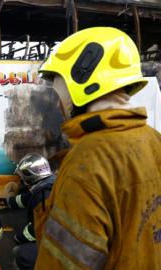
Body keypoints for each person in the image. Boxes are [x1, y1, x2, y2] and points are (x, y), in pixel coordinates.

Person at [34, 27, 161, 269]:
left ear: (81, 82)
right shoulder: (155, 141)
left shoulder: (88, 161)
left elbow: (63, 261)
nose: (59, 103)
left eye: (60, 90)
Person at [0, 153, 55, 270]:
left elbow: (37, 229)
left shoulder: (42, 197)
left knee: (19, 253)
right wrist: (9, 202)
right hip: (67, 238)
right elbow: (27, 198)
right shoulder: (49, 185)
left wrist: (19, 237)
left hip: (56, 242)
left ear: (29, 176)